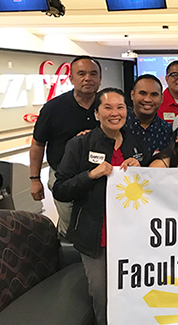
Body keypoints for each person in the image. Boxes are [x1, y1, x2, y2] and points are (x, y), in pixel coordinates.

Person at [52, 88, 148, 325]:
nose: (115, 113)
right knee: (102, 294)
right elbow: (60, 189)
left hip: (130, 237)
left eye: (120, 107)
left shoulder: (135, 143)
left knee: (131, 292)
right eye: (107, 107)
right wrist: (90, 175)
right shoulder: (80, 144)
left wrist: (141, 166)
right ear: (96, 113)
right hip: (95, 237)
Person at [30, 55, 101, 238]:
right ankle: (68, 262)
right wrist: (34, 179)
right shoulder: (53, 108)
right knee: (71, 227)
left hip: (99, 177)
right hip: (64, 177)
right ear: (71, 78)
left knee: (96, 227)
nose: (88, 78)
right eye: (81, 73)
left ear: (100, 79)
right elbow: (38, 144)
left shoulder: (108, 106)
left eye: (93, 74)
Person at [127, 74, 172, 157]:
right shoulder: (118, 126)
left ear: (162, 98)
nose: (147, 99)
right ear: (132, 95)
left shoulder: (168, 132)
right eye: (142, 93)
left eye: (154, 95)